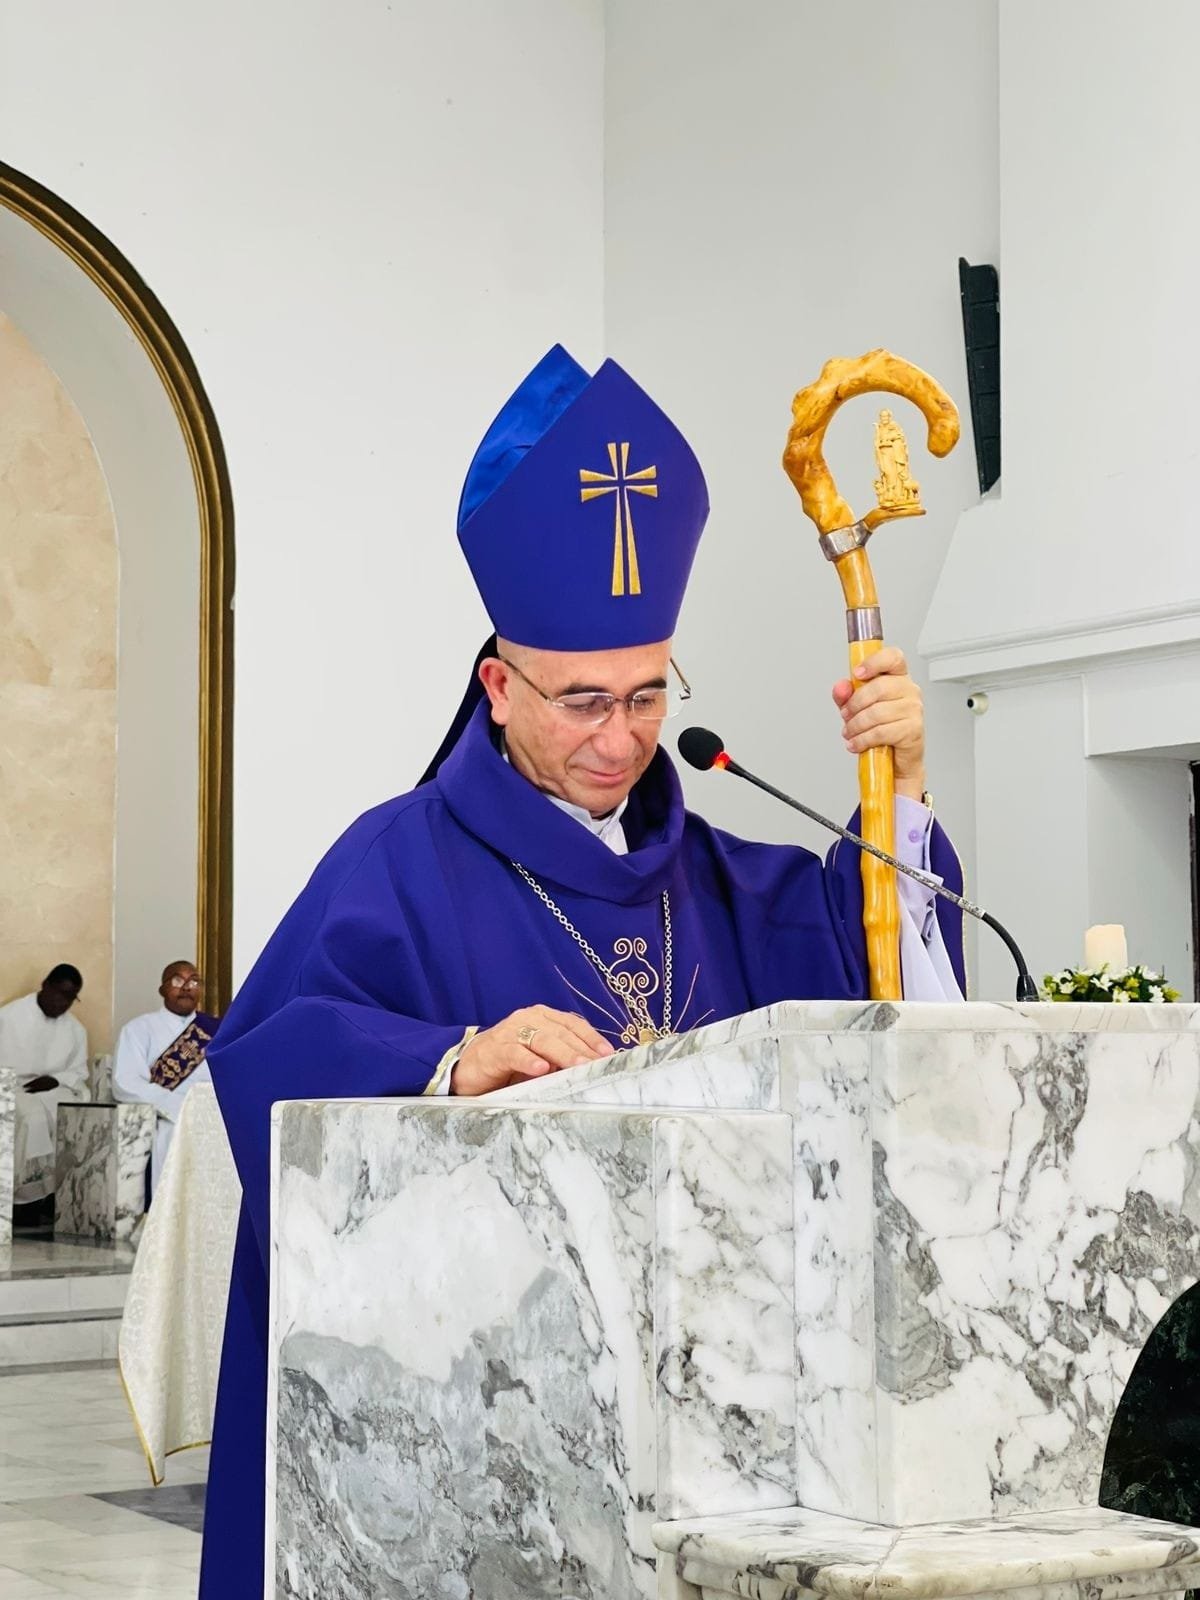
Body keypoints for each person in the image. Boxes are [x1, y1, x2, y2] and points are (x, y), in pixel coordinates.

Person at [199, 345, 966, 1597]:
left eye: (649, 695)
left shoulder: (721, 877)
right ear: (500, 688)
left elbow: (878, 984)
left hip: (712, 1422)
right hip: (474, 1427)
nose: (621, 738)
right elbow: (266, 1058)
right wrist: (444, 1060)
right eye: (582, 701)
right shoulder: (396, 863)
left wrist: (905, 786)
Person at [112, 961, 218, 1193]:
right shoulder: (139, 1029)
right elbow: (125, 1082)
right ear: (162, 989)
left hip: (214, 1114)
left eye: (193, 981)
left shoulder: (216, 1031)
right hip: (168, 1116)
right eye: (177, 980)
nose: (186, 987)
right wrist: (175, 1104)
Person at [0, 965, 88, 1215]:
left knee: (69, 1115)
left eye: (71, 998)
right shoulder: (8, 1017)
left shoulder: (76, 1029)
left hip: (52, 1088)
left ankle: (53, 1195)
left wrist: (56, 1079)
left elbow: (79, 1072)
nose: (62, 1003)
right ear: (45, 985)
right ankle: (22, 1199)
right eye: (59, 993)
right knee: (32, 1117)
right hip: (11, 1088)